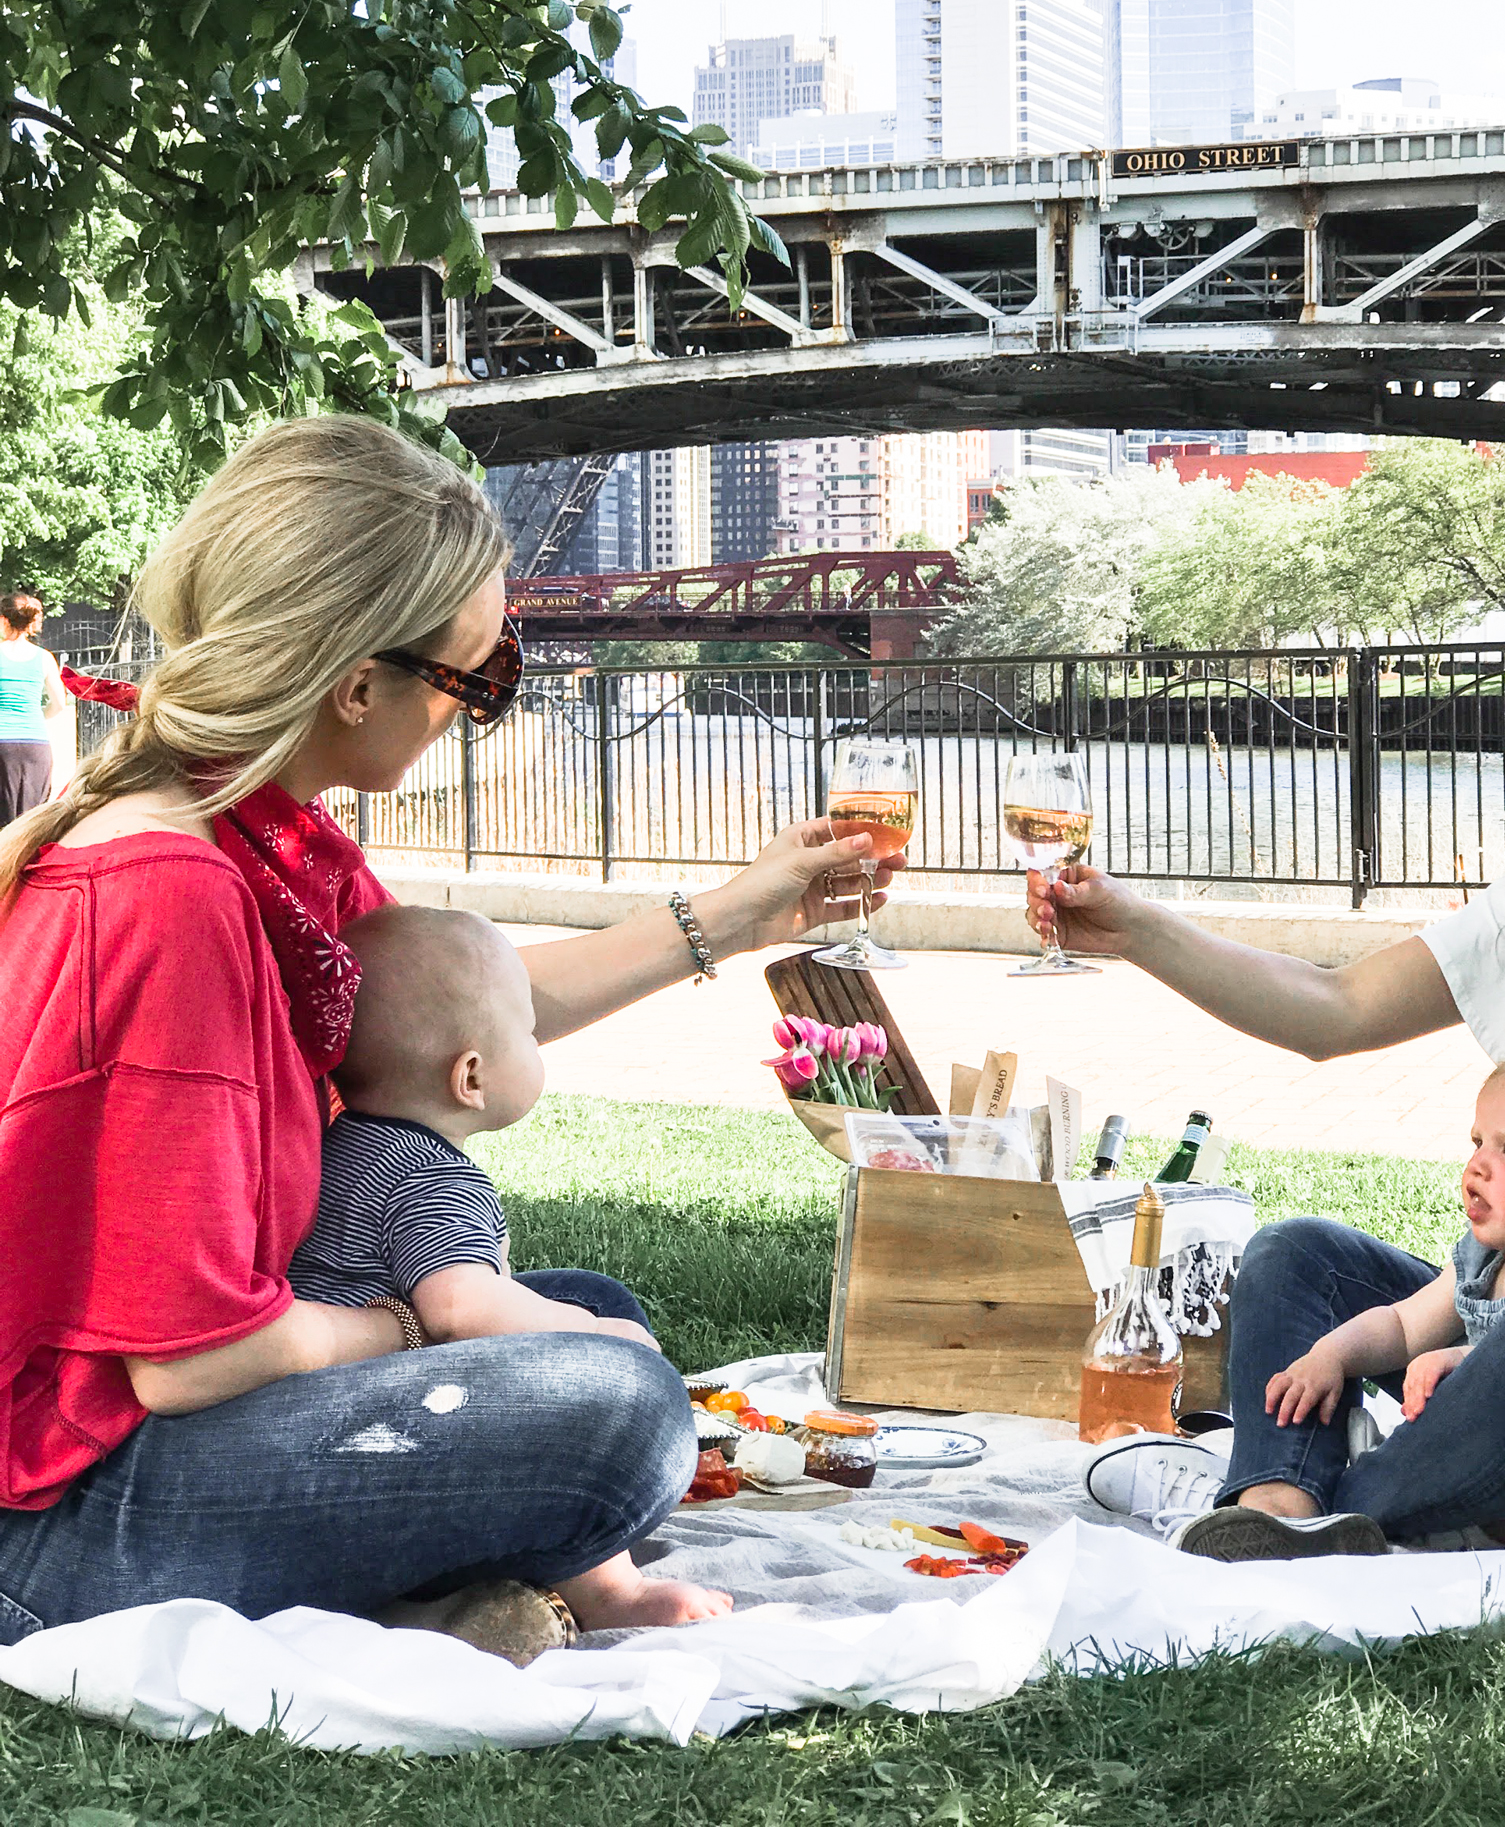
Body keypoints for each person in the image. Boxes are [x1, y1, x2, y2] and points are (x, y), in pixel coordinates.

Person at [0, 416, 896, 1656]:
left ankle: (440, 1588)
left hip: (126, 1441)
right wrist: (428, 1324)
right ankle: (432, 1588)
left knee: (579, 1306)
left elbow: (455, 1013)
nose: (477, 713)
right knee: (620, 1409)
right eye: (475, 680)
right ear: (358, 681)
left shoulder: (260, 831)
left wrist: (737, 917)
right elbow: (192, 1364)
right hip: (62, 1510)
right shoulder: (175, 894)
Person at [1045, 516, 1505, 1560]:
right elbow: (1334, 1012)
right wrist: (1134, 927)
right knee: (1302, 1260)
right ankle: (1277, 1506)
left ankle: (1345, 1505)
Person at [287, 901, 723, 1641]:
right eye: (525, 1031)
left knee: (585, 1292)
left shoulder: (341, 1147)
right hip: (377, 1425)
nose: (535, 1042)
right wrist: (593, 1336)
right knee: (594, 1342)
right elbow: (458, 1305)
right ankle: (609, 1592)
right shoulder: (431, 1175)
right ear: (471, 1075)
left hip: (321, 1405)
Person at [1182, 1041, 1505, 1561]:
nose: (1478, 1165)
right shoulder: (1490, 1257)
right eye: (1478, 1141)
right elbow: (1400, 1325)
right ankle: (1293, 1504)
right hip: (1480, 1474)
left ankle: (1342, 1506)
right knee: (1293, 1251)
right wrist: (1332, 1355)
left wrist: (1460, 1359)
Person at [0, 592, 66, 827]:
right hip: (35, 744)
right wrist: (37, 716)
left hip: (2, 745)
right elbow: (59, 703)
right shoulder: (44, 658)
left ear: (4, 620)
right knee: (31, 822)